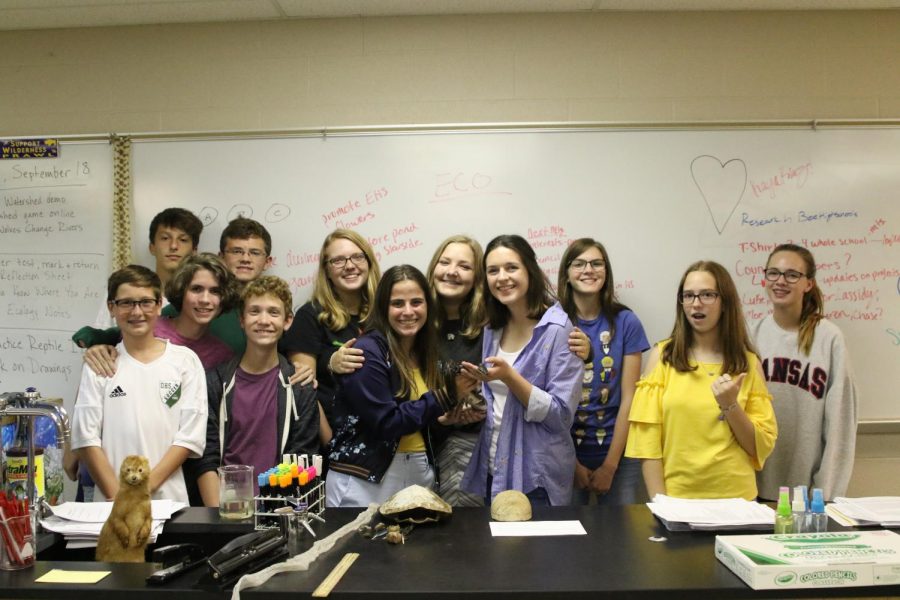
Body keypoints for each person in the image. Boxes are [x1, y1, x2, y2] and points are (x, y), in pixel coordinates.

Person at [326, 265, 479, 507]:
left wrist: (446, 420)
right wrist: (446, 396)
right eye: (397, 303)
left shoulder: (428, 353)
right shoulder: (367, 351)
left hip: (419, 472)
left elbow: (419, 421)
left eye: (416, 302)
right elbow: (387, 423)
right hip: (364, 479)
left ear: (428, 306)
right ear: (383, 308)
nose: (408, 311)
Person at [625, 260, 777, 501]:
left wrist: (730, 405)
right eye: (688, 296)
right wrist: (662, 504)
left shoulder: (748, 364)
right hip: (678, 500)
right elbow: (647, 445)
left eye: (707, 295)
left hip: (737, 502)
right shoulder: (663, 358)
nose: (696, 304)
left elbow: (760, 447)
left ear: (725, 302)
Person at [460, 234, 582, 507]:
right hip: (494, 467)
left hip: (536, 475)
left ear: (530, 270)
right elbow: (495, 399)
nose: (502, 277)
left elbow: (561, 416)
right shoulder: (491, 329)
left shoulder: (559, 330)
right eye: (493, 271)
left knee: (537, 551)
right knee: (496, 549)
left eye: (511, 267)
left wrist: (510, 377)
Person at [70, 265, 207, 503]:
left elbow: (189, 438)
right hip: (111, 505)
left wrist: (139, 492)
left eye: (145, 302)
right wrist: (119, 496)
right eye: (126, 303)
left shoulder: (185, 361)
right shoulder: (100, 365)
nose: (137, 312)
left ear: (158, 305)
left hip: (170, 505)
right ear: (111, 308)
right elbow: (86, 437)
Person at [197, 276, 319, 505]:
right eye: (254, 311)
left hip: (279, 509)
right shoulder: (215, 382)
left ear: (287, 321)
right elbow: (206, 456)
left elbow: (303, 456)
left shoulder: (300, 387)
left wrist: (278, 512)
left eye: (273, 312)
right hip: (227, 509)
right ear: (241, 320)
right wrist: (217, 516)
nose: (264, 320)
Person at [754, 243, 858, 501]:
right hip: (755, 488)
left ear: (808, 284)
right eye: (774, 273)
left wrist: (825, 492)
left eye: (792, 275)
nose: (781, 281)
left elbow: (840, 421)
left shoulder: (829, 338)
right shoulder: (751, 334)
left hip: (807, 495)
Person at [558, 238, 650, 505]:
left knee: (619, 537)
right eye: (580, 264)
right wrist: (571, 463)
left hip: (618, 451)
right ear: (566, 273)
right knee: (567, 539)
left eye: (597, 263)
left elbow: (629, 397)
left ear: (606, 272)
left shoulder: (626, 321)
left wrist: (610, 466)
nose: (589, 270)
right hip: (565, 452)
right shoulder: (554, 321)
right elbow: (550, 398)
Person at [281, 229, 381, 445]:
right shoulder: (310, 316)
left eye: (357, 256)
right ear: (326, 270)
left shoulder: (386, 313)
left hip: (385, 437)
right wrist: (331, 444)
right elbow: (304, 389)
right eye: (338, 260)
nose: (350, 265)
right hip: (337, 441)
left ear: (369, 262)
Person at [426, 235, 488, 506]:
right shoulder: (413, 320)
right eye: (445, 262)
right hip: (417, 447)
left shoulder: (491, 325)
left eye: (464, 266)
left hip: (469, 451)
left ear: (477, 278)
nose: (452, 271)